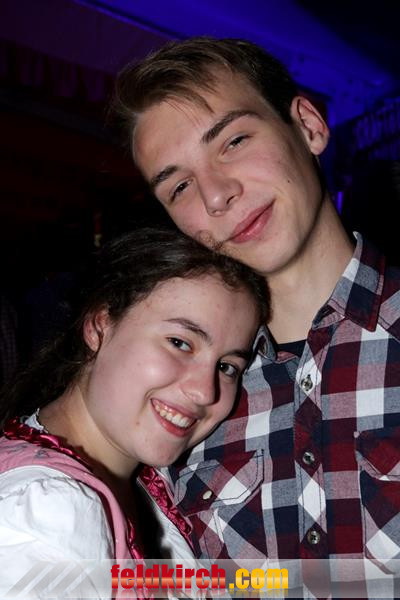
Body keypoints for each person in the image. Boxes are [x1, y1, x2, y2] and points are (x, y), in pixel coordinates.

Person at [113, 37, 400, 592]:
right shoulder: (179, 402)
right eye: (180, 186)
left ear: (308, 126)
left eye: (234, 141)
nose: (215, 195)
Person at [0, 227, 267, 596]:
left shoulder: (149, 483)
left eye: (227, 367)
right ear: (99, 326)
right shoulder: (46, 514)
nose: (205, 391)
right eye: (180, 343)